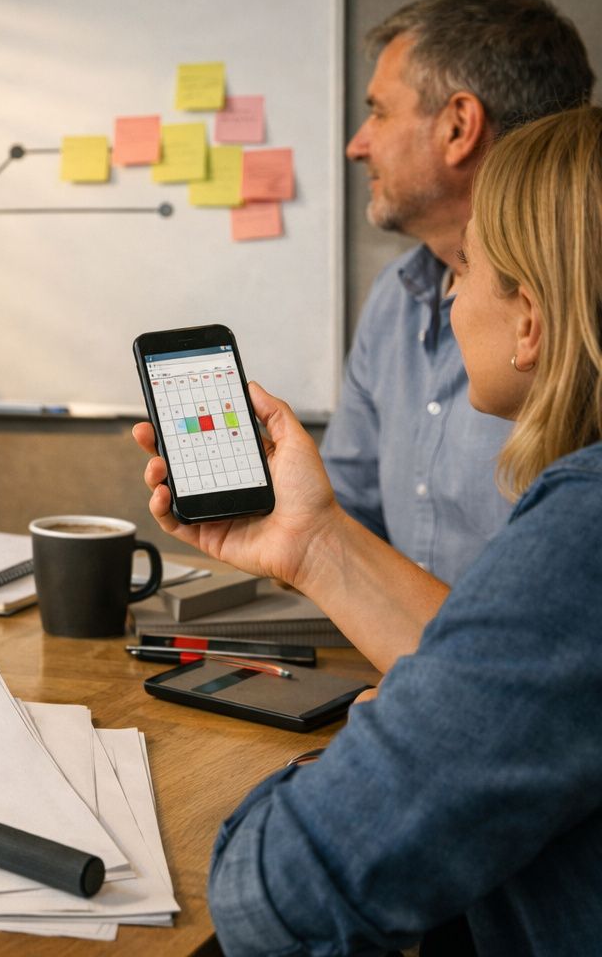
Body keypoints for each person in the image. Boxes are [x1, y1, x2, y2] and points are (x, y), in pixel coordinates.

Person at [134, 106, 602, 955]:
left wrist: (362, 756)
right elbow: (550, 680)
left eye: (471, 268)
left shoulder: (585, 531)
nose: (450, 293)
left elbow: (275, 893)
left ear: (529, 320)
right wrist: (313, 543)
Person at [321, 0, 593, 583]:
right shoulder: (394, 296)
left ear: (459, 126)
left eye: (380, 110)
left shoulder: (580, 318)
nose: (356, 144)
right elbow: (345, 513)